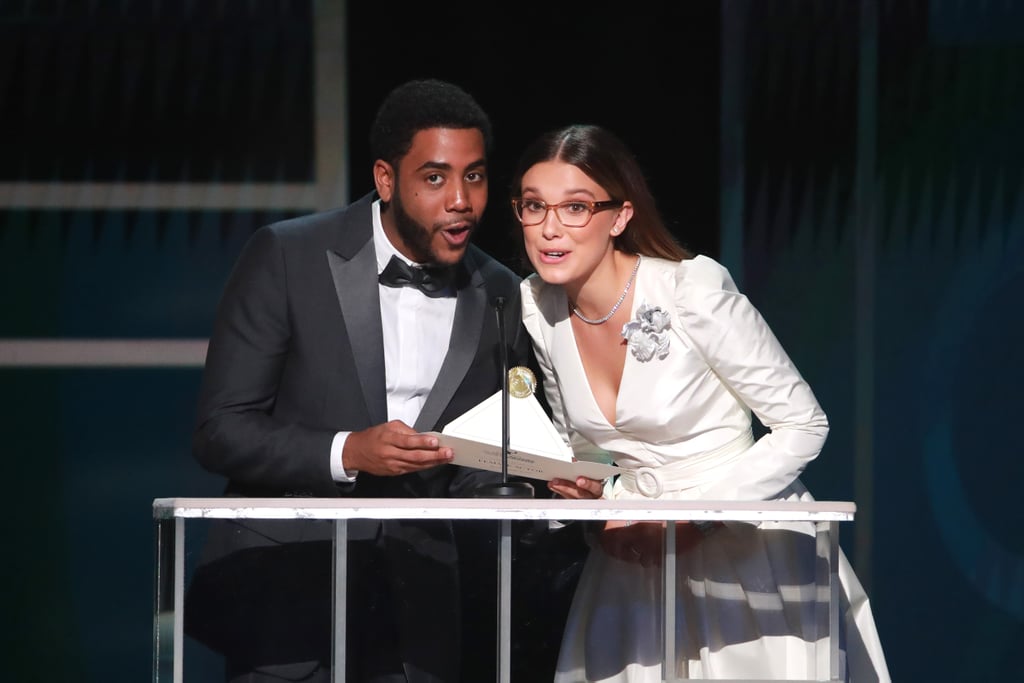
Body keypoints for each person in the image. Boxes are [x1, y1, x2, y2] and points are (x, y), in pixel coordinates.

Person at [183, 78, 550, 683]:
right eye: (435, 178)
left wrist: (541, 484)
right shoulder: (286, 255)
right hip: (290, 592)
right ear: (386, 179)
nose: (460, 199)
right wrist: (348, 451)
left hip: (421, 606)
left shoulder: (501, 292)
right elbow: (220, 432)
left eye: (475, 176)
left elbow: (481, 457)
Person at [510, 124, 891, 682]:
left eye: (575, 208)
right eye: (533, 207)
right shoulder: (536, 306)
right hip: (634, 555)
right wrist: (591, 489)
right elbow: (587, 447)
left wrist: (699, 520)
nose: (549, 229)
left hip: (747, 552)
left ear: (619, 216)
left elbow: (803, 423)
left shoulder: (690, 290)